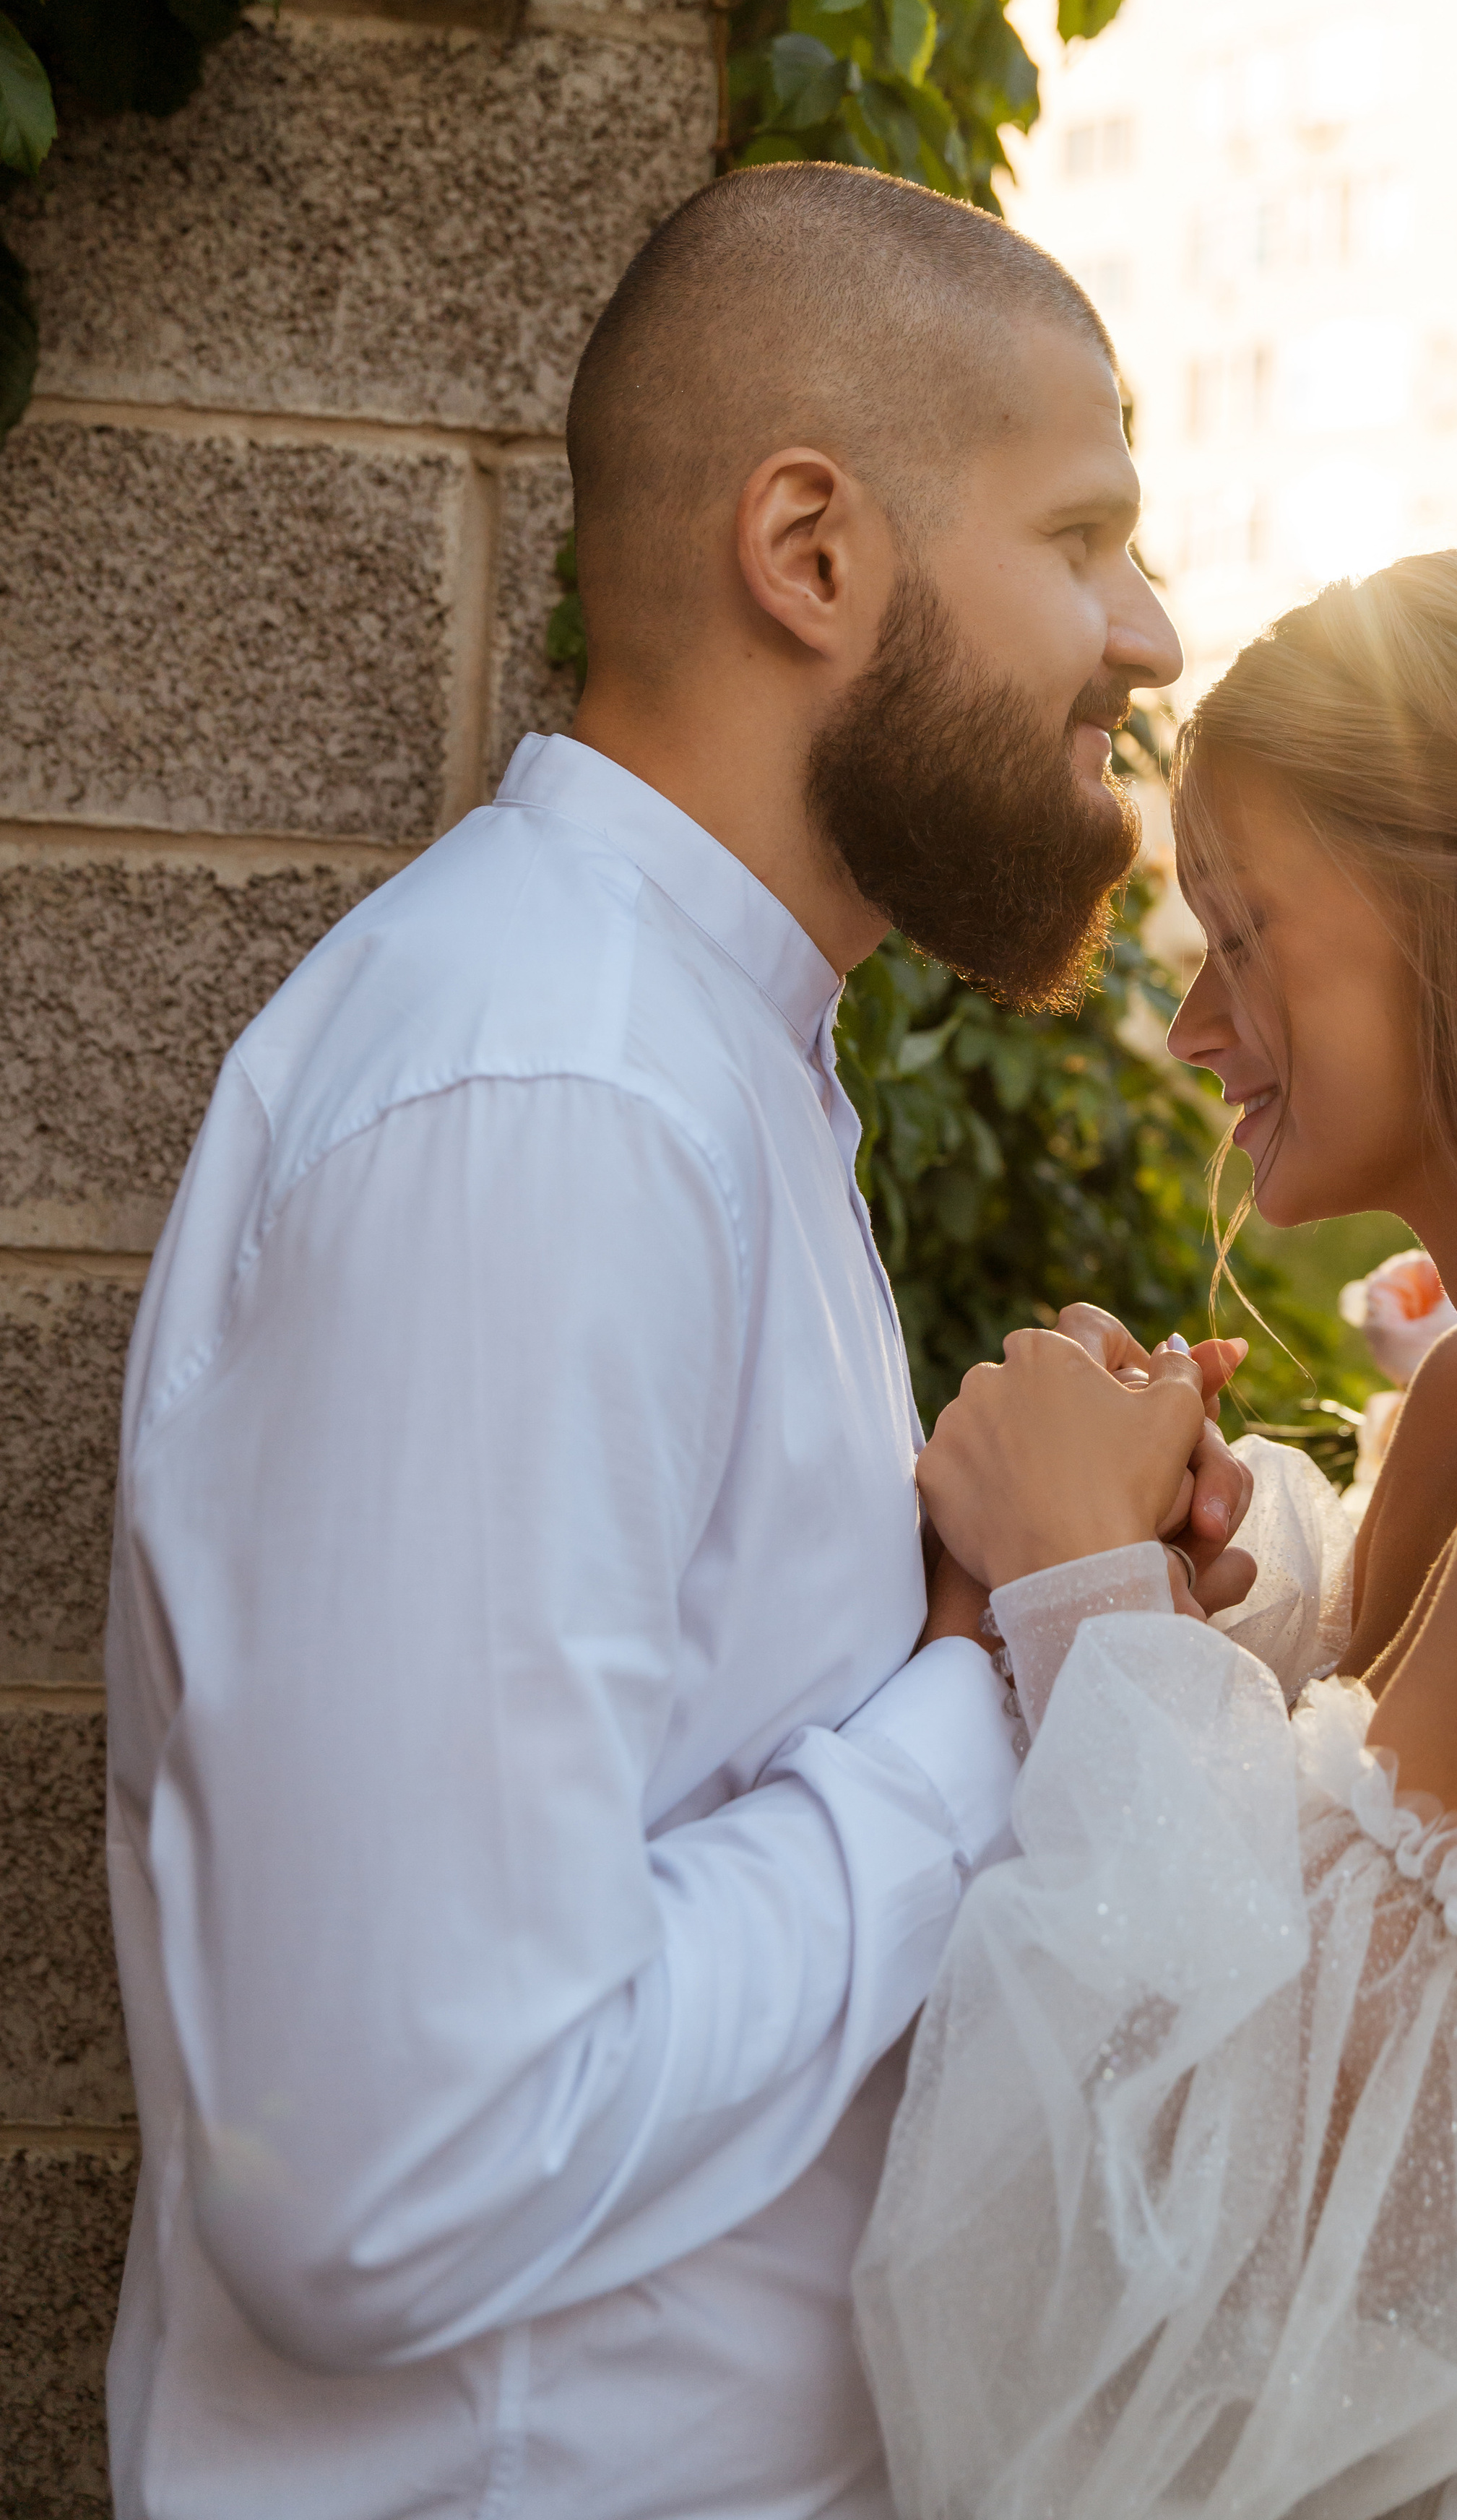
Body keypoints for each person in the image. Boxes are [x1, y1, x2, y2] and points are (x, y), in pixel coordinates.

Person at [103, 163, 1245, 2520]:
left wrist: (990, 1606)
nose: (1144, 633)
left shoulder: (697, 1062)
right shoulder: (558, 1095)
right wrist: (987, 1697)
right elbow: (390, 2180)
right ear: (811, 551)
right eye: (1085, 534)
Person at [855, 514, 1457, 2517]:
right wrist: (1209, 1605)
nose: (1192, 1027)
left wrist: (1090, 1598)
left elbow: (1283, 2272)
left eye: (1242, 927)